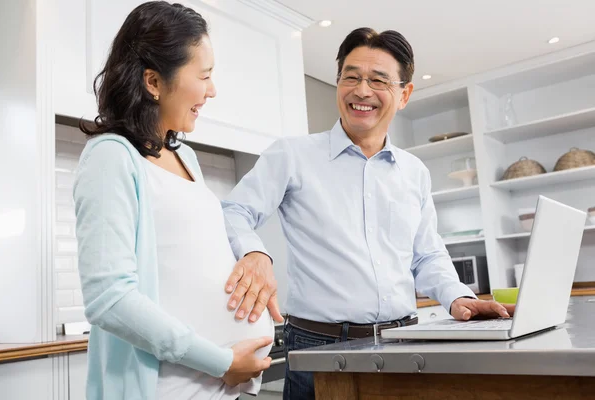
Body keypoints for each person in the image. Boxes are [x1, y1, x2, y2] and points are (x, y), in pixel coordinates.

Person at [220, 27, 516, 399]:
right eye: (352, 77)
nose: (362, 90)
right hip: (319, 348)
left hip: (404, 344)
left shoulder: (414, 171)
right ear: (339, 82)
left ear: (404, 94)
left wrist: (458, 298)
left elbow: (427, 254)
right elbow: (233, 211)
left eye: (378, 80)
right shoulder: (292, 155)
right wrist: (255, 253)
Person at [73, 2, 275, 399]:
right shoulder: (111, 156)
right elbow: (108, 298)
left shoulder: (187, 158)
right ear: (153, 82)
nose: (212, 90)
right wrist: (222, 361)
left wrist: (255, 254)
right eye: (204, 75)